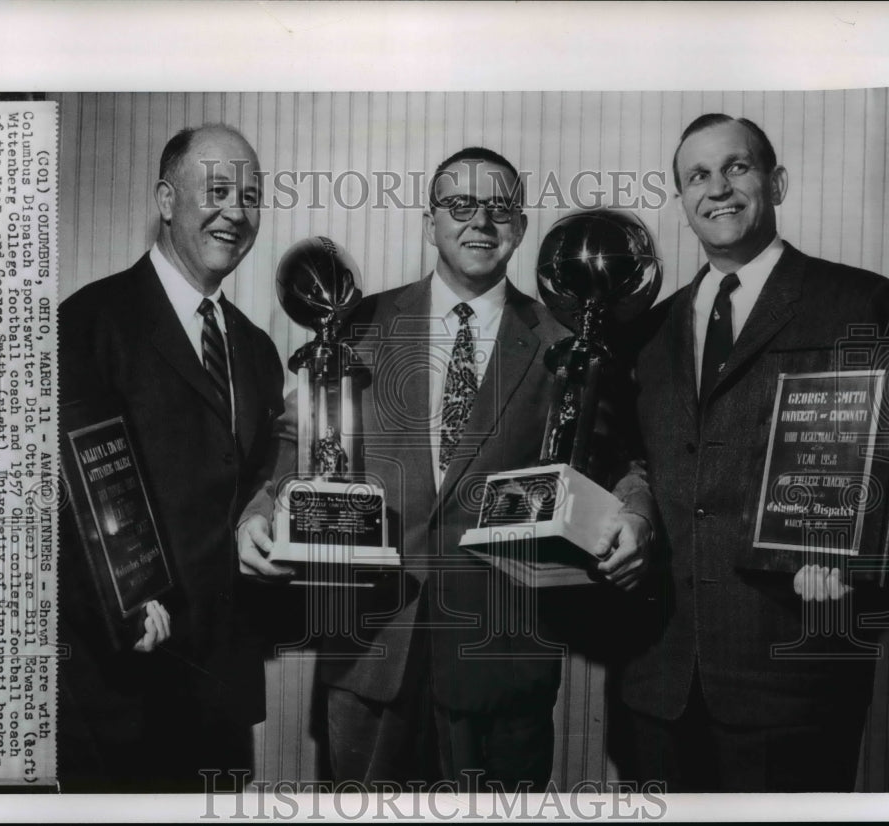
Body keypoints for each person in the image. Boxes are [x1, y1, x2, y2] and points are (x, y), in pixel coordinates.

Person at [240, 147, 656, 791]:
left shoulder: (564, 342)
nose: (479, 222)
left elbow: (618, 461)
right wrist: (262, 514)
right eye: (460, 205)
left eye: (499, 208)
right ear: (429, 220)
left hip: (503, 663)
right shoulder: (356, 323)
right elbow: (295, 446)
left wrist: (634, 515)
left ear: (519, 227)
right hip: (369, 655)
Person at [619, 114, 889, 792]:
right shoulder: (649, 329)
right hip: (657, 678)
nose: (718, 188)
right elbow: (638, 461)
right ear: (683, 202)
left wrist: (850, 545)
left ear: (777, 180)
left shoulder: (862, 301)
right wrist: (632, 511)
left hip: (793, 668)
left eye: (737, 167)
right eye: (697, 176)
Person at [57, 124, 291, 792]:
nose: (236, 212)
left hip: (219, 691)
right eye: (216, 190)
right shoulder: (88, 323)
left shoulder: (253, 348)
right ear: (166, 199)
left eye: (251, 195)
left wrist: (261, 517)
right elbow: (60, 498)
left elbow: (251, 481)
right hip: (117, 686)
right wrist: (123, 598)